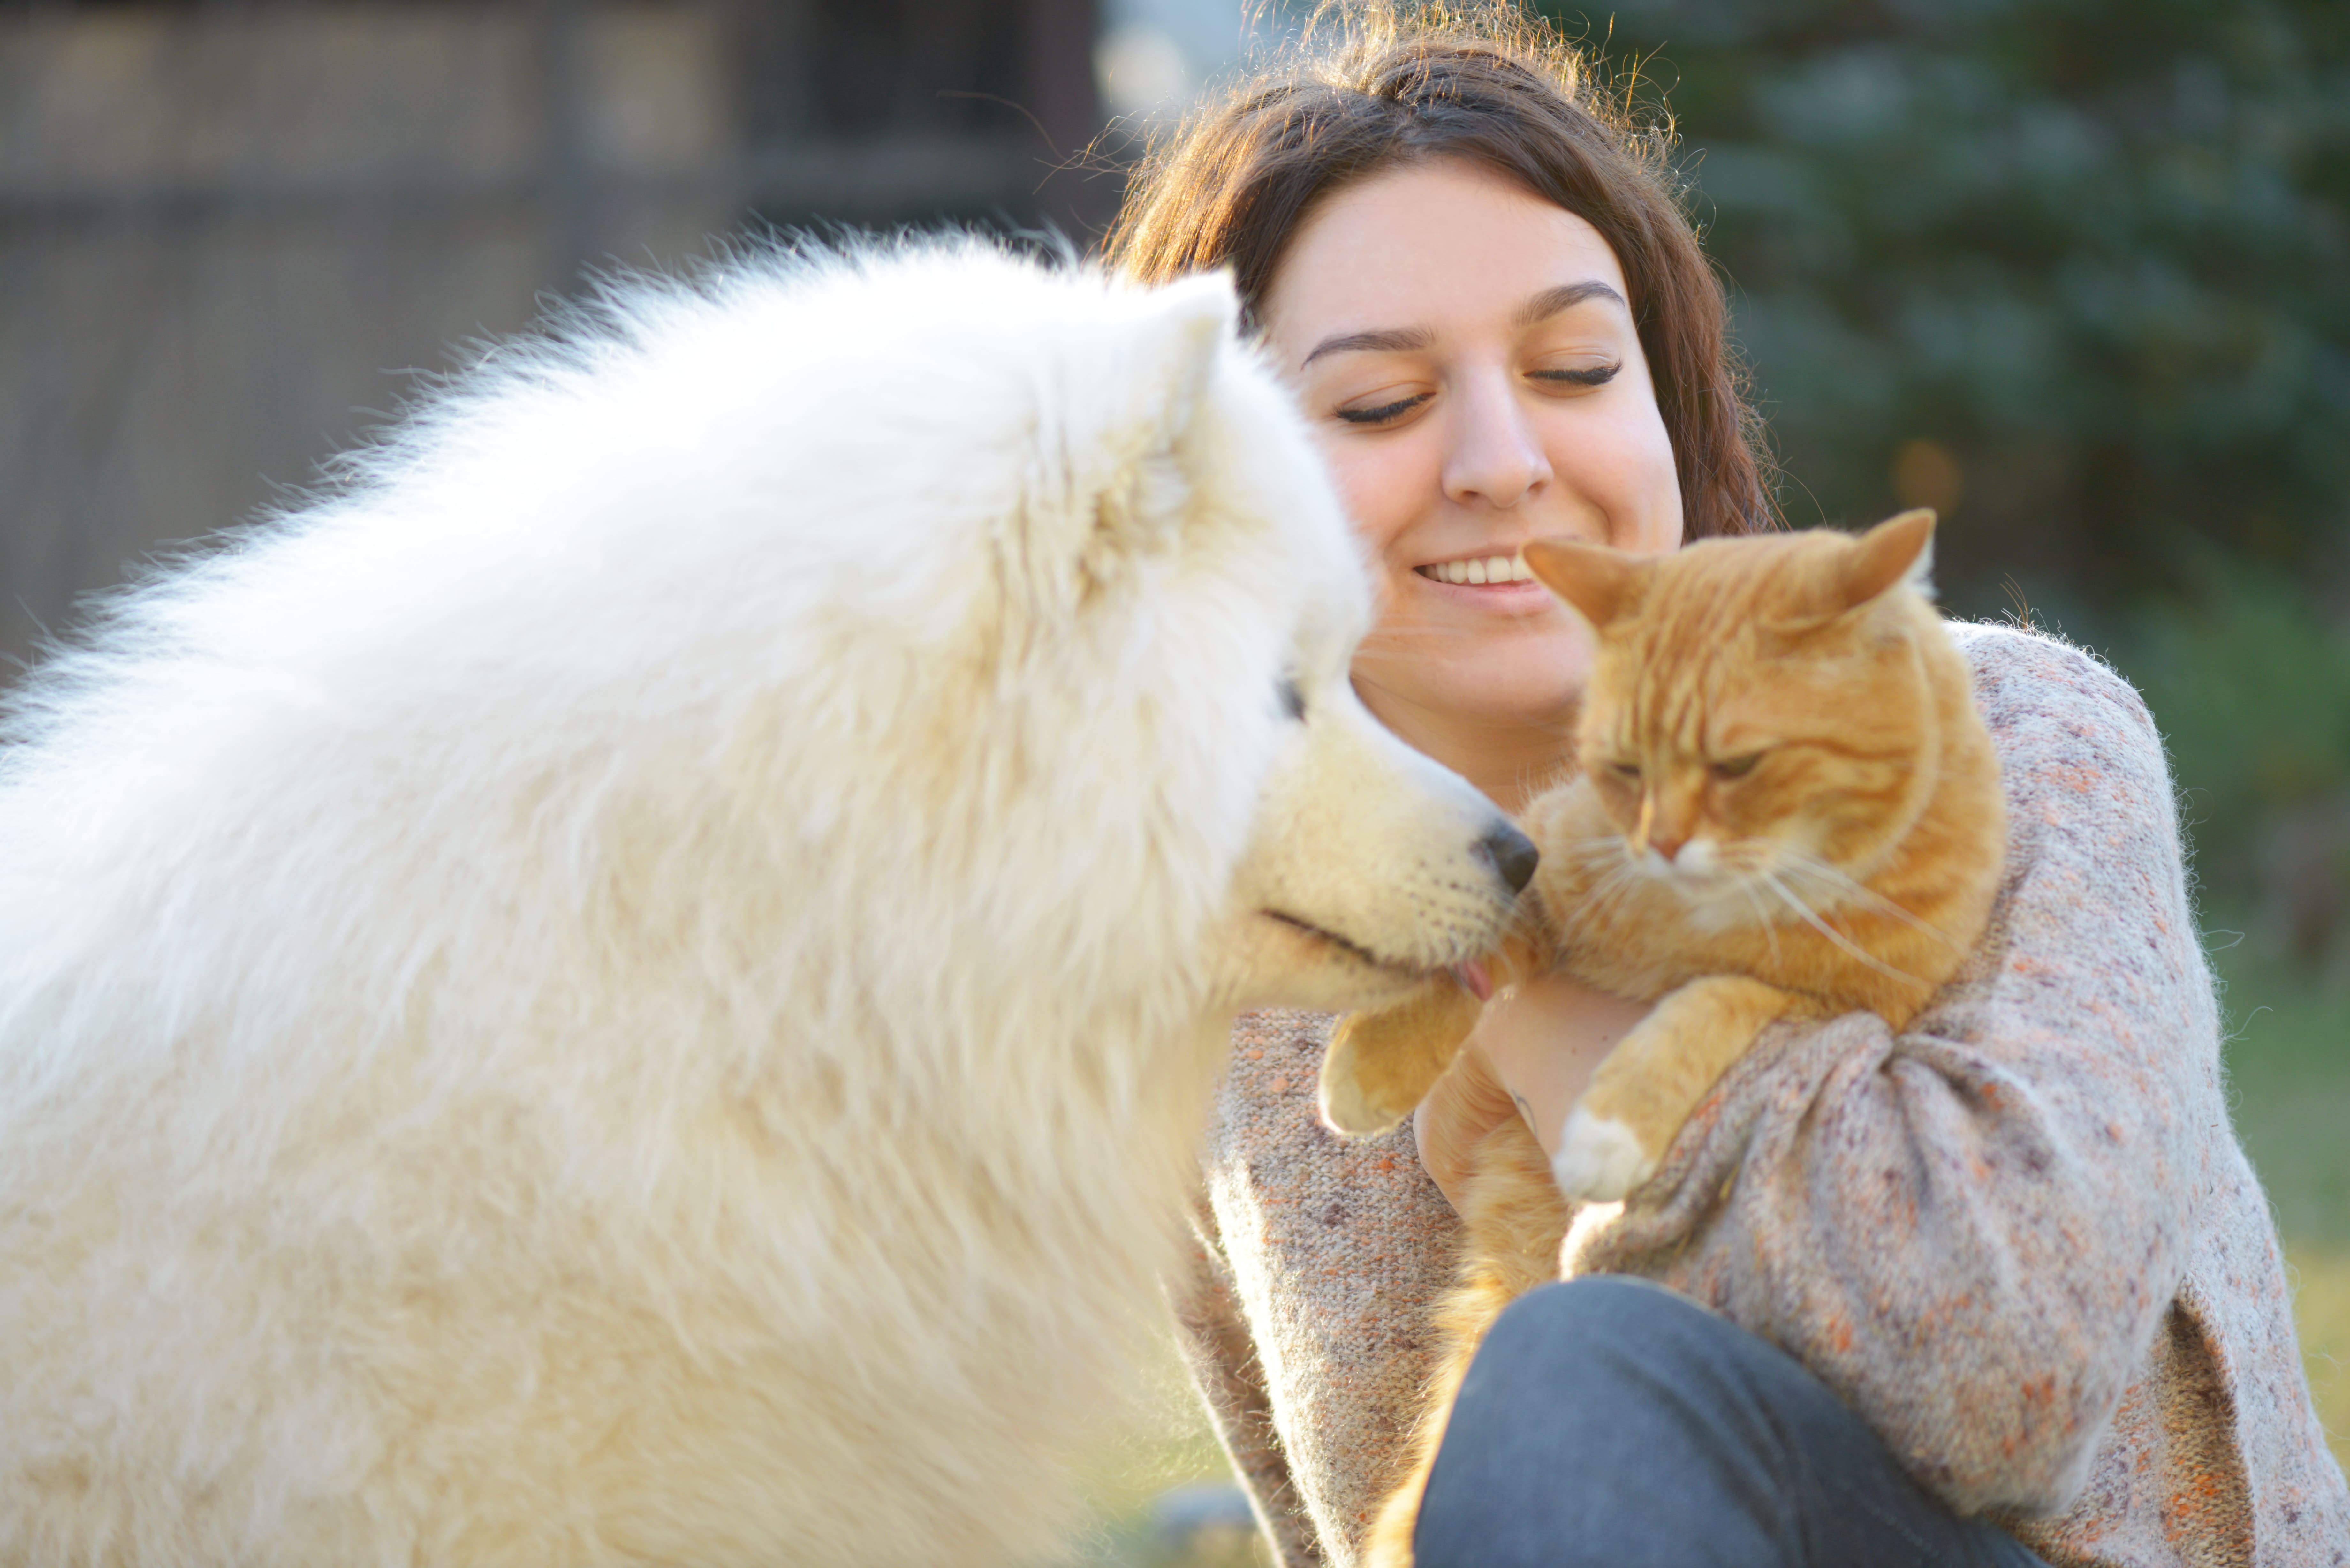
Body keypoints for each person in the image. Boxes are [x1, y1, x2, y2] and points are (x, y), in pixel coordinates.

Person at [1103, 7, 2350, 1566]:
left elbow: (2003, 1389)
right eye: (1376, 404)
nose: (1500, 458)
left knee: (1570, 1370)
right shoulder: (1236, 984)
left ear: (1668, 406)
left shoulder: (2014, 744)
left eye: (1572, 366)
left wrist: (1527, 982)